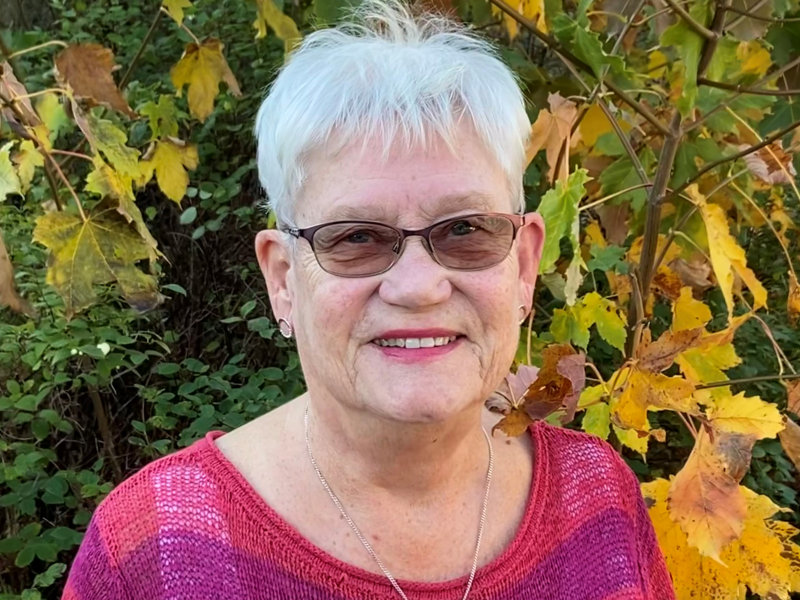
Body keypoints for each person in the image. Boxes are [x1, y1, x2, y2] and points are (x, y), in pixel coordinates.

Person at [62, 1, 675, 598]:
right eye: (356, 238)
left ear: (522, 264)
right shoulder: (158, 550)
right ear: (282, 279)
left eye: (465, 230)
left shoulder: (597, 502)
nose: (418, 286)